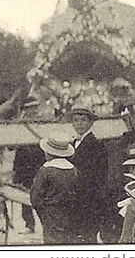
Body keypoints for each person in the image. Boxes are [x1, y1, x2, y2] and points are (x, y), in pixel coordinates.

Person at [30, 133, 82, 245]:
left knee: (53, 242)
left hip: (52, 213)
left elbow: (35, 198)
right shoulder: (73, 170)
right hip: (71, 212)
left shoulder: (45, 170)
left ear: (49, 153)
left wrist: (43, 213)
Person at [69, 104, 109, 243]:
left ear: (91, 123)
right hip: (76, 197)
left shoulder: (96, 145)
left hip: (90, 198)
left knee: (88, 235)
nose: (79, 124)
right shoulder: (73, 143)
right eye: (76, 120)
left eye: (83, 120)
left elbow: (99, 174)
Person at [14, 96, 44, 233]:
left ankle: (46, 223)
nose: (34, 110)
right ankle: (29, 224)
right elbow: (13, 145)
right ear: (25, 110)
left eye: (35, 107)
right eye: (30, 108)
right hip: (23, 162)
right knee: (23, 193)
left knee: (42, 194)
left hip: (39, 160)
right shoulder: (19, 125)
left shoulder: (43, 122)